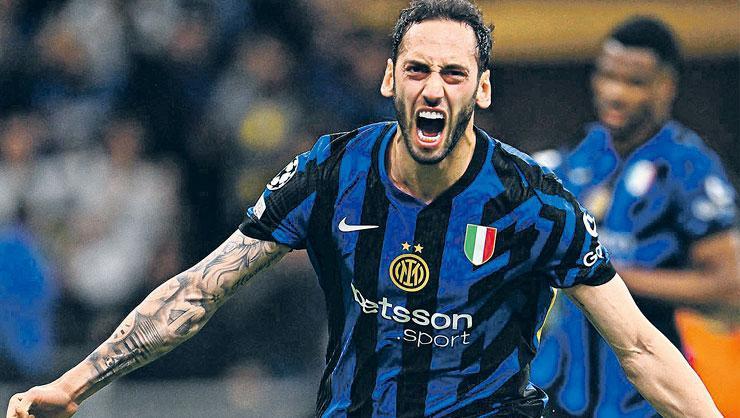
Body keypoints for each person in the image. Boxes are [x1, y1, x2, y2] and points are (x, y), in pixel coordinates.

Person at [6, 2, 723, 417]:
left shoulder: (535, 201)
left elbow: (640, 347)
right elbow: (201, 290)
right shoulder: (332, 171)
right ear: (389, 79)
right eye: (417, 70)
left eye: (454, 73)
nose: (433, 88)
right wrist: (72, 385)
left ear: (482, 89)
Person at [530, 16, 738, 417]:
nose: (615, 93)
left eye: (634, 82)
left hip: (642, 401)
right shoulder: (583, 151)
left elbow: (730, 288)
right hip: (557, 394)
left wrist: (606, 276)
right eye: (607, 76)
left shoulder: (689, 167)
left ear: (666, 87)